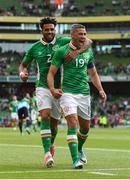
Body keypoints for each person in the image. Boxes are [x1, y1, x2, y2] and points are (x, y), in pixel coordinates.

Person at [47, 24, 107, 169]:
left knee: (85, 128)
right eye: (80, 34)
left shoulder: (88, 51)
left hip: (84, 94)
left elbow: (93, 74)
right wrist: (52, 89)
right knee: (72, 123)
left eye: (84, 34)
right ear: (72, 34)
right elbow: (51, 73)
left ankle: (79, 148)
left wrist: (100, 89)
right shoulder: (62, 51)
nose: (83, 36)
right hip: (67, 93)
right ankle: (75, 160)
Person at [19, 17, 71, 168]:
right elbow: (23, 65)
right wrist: (23, 73)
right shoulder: (34, 48)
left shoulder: (64, 42)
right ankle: (47, 153)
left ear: (55, 30)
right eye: (46, 29)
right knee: (45, 116)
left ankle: (51, 144)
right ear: (41, 30)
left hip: (60, 89)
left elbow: (86, 41)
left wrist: (76, 52)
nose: (50, 32)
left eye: (52, 29)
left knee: (54, 126)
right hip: (42, 87)